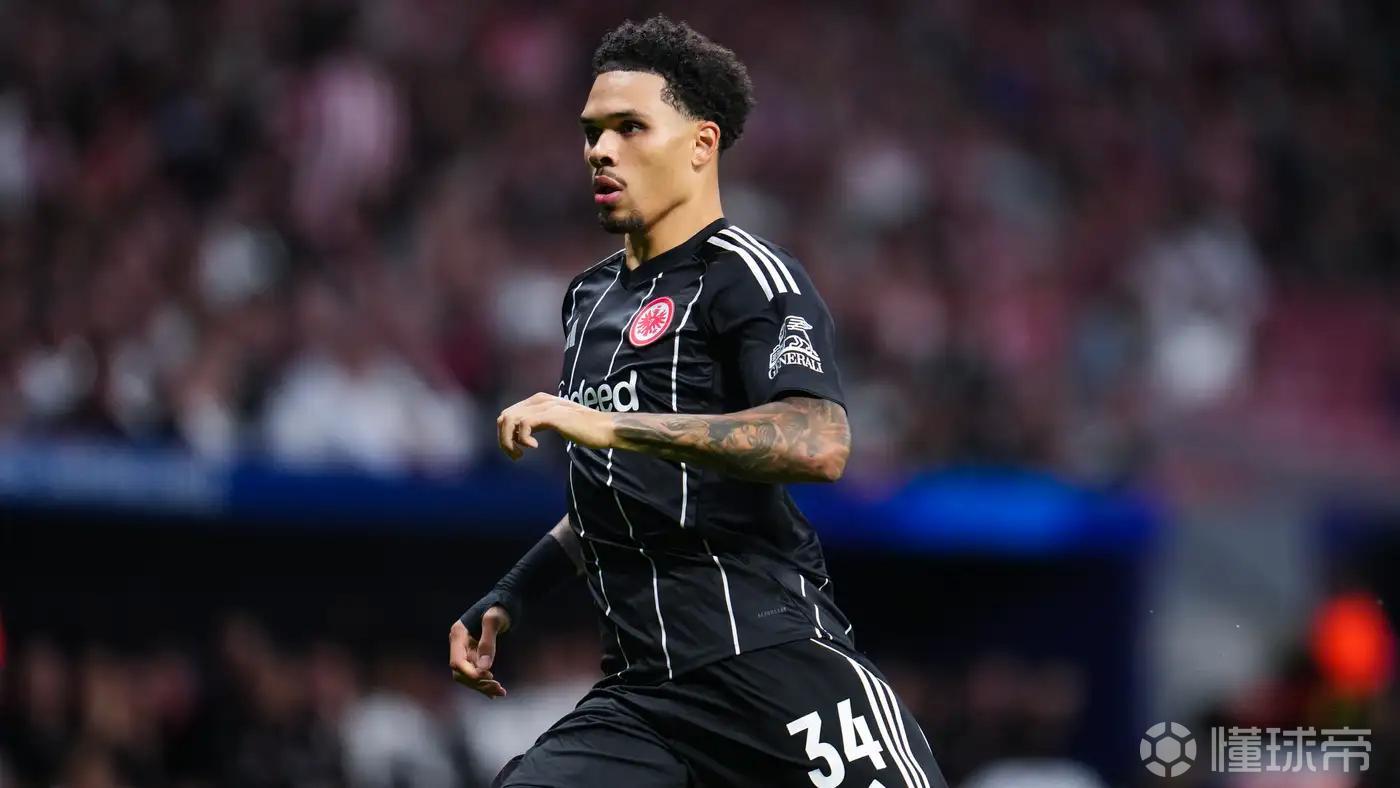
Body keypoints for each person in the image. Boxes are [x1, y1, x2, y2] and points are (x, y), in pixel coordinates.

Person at [448, 15, 947, 788]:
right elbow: (620, 494)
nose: (600, 150)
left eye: (630, 128)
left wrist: (609, 425)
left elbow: (818, 440)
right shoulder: (588, 299)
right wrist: (514, 591)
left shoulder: (747, 275)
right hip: (643, 696)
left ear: (700, 144)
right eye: (591, 132)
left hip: (771, 666)